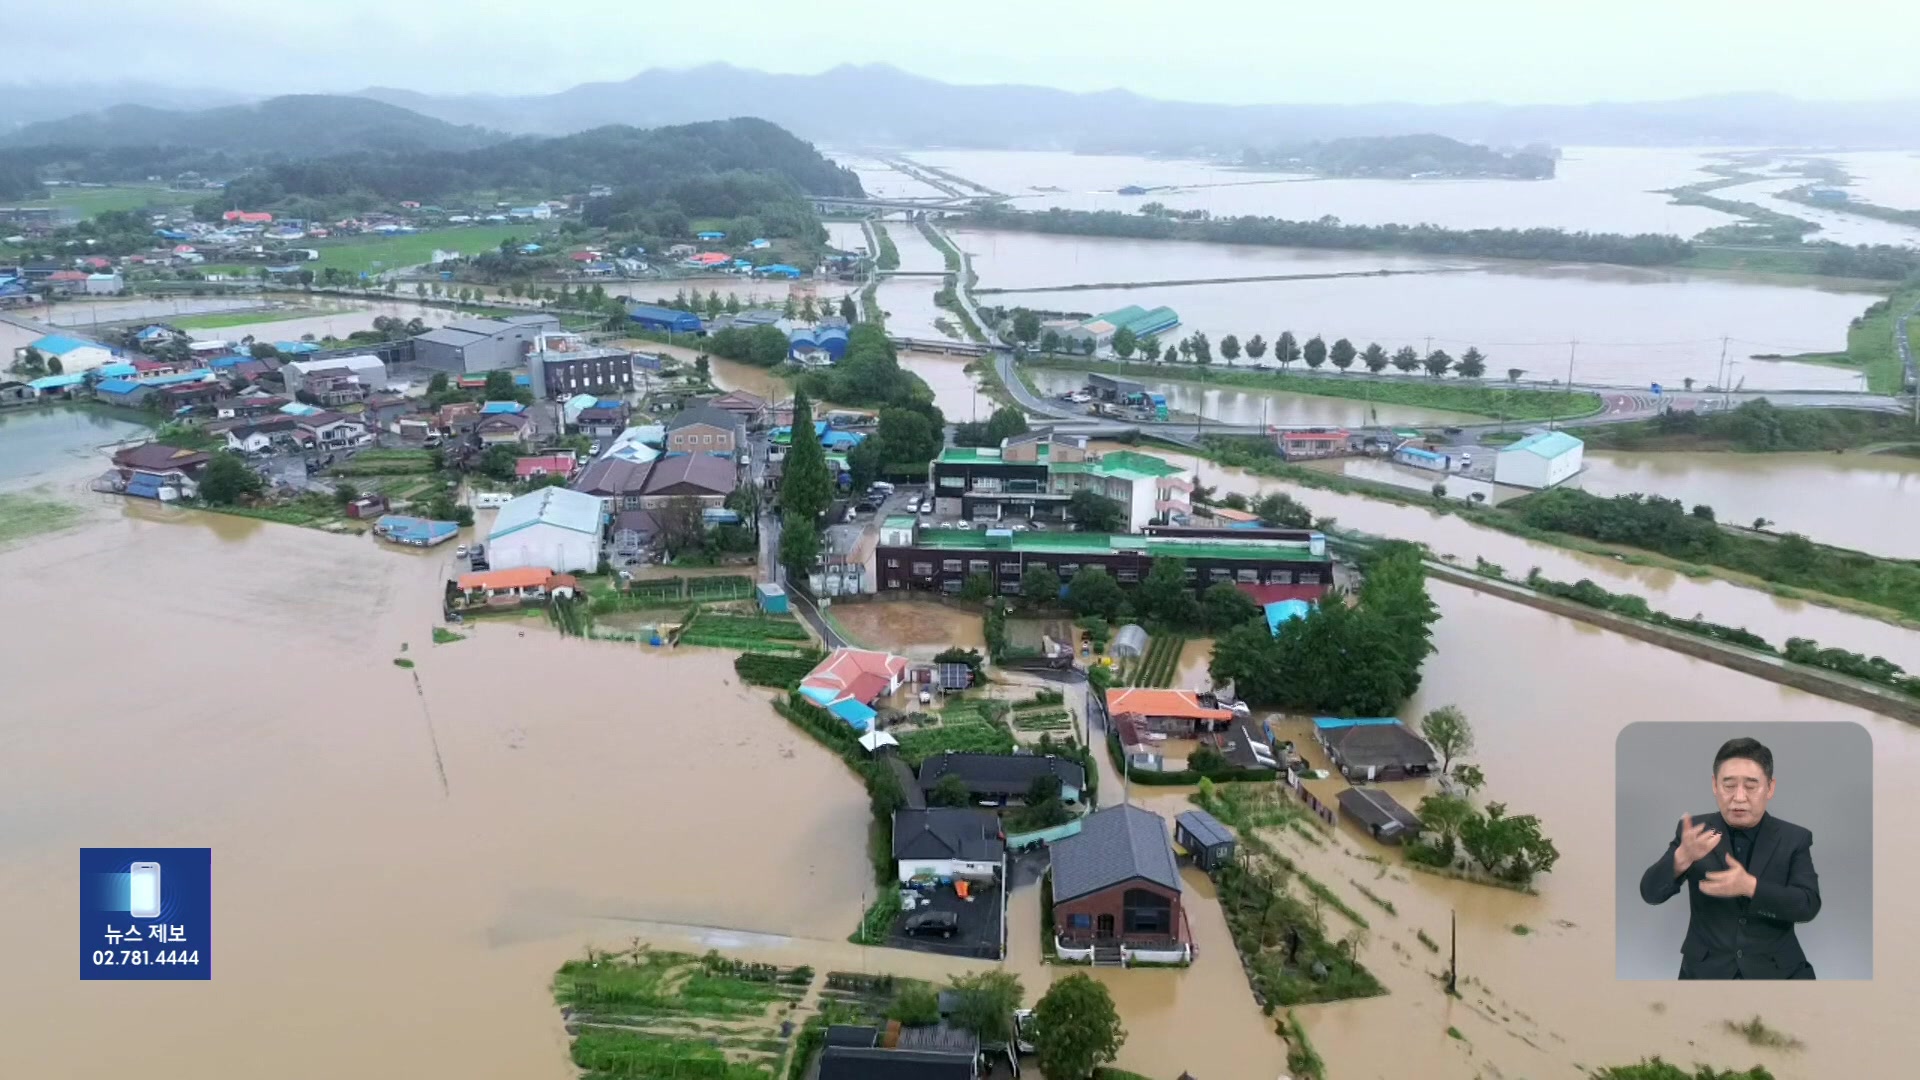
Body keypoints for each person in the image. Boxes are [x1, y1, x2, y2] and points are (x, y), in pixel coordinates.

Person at [1638, 736, 1821, 979]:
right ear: (1715, 785)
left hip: (1778, 972)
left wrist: (1750, 887)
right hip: (1705, 971)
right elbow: (1650, 894)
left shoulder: (1793, 838)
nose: (1739, 797)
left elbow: (1807, 905)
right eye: (1729, 785)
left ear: (1770, 787)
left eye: (1751, 786)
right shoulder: (1697, 831)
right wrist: (1681, 858)